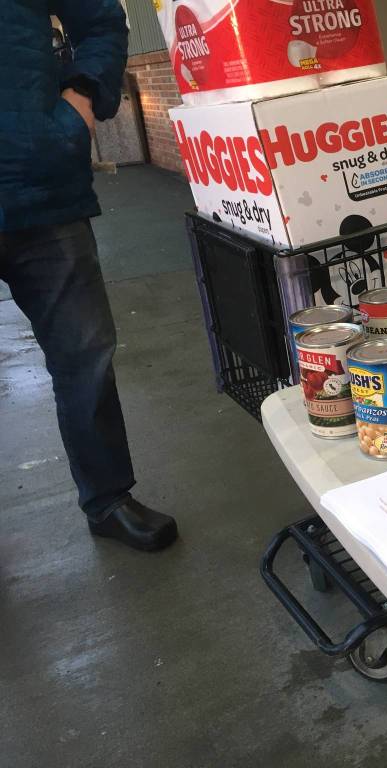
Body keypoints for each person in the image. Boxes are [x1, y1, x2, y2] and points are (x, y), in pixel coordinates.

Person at [0, 1, 178, 552]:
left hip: (42, 188)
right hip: (44, 174)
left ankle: (107, 500)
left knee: (85, 358)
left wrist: (78, 101)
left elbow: (100, 19)